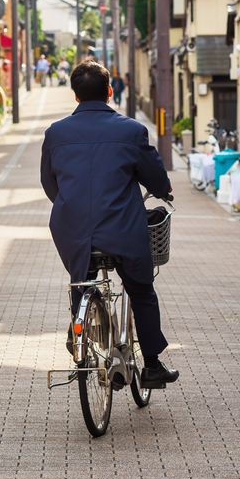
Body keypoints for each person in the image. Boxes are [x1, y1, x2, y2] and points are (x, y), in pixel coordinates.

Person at [40, 60, 179, 388]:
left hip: (71, 229)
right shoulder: (131, 131)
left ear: (75, 95)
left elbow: (49, 183)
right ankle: (152, 365)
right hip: (122, 228)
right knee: (141, 289)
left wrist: (72, 206)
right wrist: (163, 190)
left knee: (81, 279)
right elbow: (155, 176)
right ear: (110, 91)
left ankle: (79, 335)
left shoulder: (55, 133)